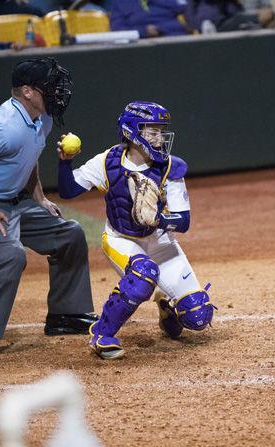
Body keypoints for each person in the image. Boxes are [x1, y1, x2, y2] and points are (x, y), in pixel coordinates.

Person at [0, 58, 97, 358]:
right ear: (27, 91)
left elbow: (29, 158)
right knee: (10, 255)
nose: (56, 92)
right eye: (50, 87)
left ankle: (65, 316)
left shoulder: (43, 119)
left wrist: (39, 197)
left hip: (18, 203)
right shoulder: (3, 126)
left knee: (70, 233)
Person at [57, 101, 216, 360]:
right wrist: (65, 163)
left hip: (160, 241)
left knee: (198, 315)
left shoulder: (170, 167)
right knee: (143, 274)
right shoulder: (108, 161)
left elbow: (183, 222)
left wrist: (159, 221)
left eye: (161, 131)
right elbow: (68, 191)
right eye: (152, 131)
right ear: (132, 131)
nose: (159, 137)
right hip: (121, 239)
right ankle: (102, 334)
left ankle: (167, 307)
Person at [110, 0, 188, 38]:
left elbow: (189, 23)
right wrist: (143, 31)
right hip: (140, 45)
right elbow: (118, 30)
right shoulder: (120, 2)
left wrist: (160, 29)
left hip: (174, 38)